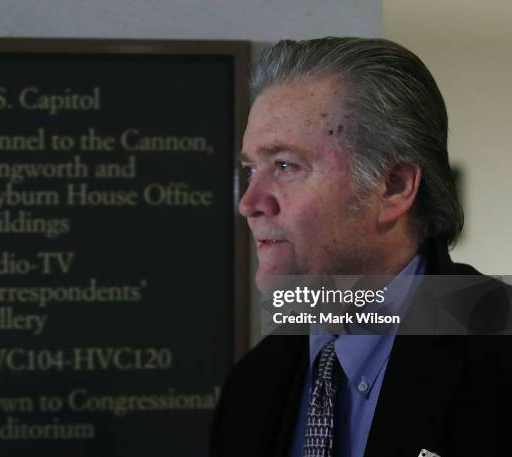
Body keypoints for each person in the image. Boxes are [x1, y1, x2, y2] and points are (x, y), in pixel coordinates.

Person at [210, 37, 512, 457]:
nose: (250, 202)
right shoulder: (252, 385)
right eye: (250, 168)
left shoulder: (498, 350)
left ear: (394, 187)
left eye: (284, 165)